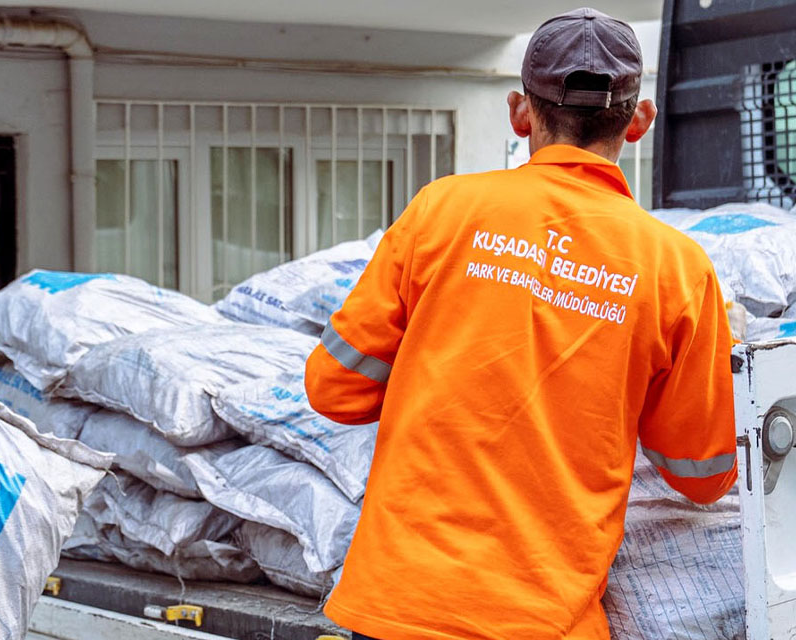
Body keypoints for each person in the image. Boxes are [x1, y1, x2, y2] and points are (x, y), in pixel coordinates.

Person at [305, 8, 738, 640]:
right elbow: (702, 477)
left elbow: (333, 388)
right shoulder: (675, 267)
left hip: (395, 607)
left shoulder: (442, 212)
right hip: (542, 624)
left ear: (519, 111)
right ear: (638, 122)